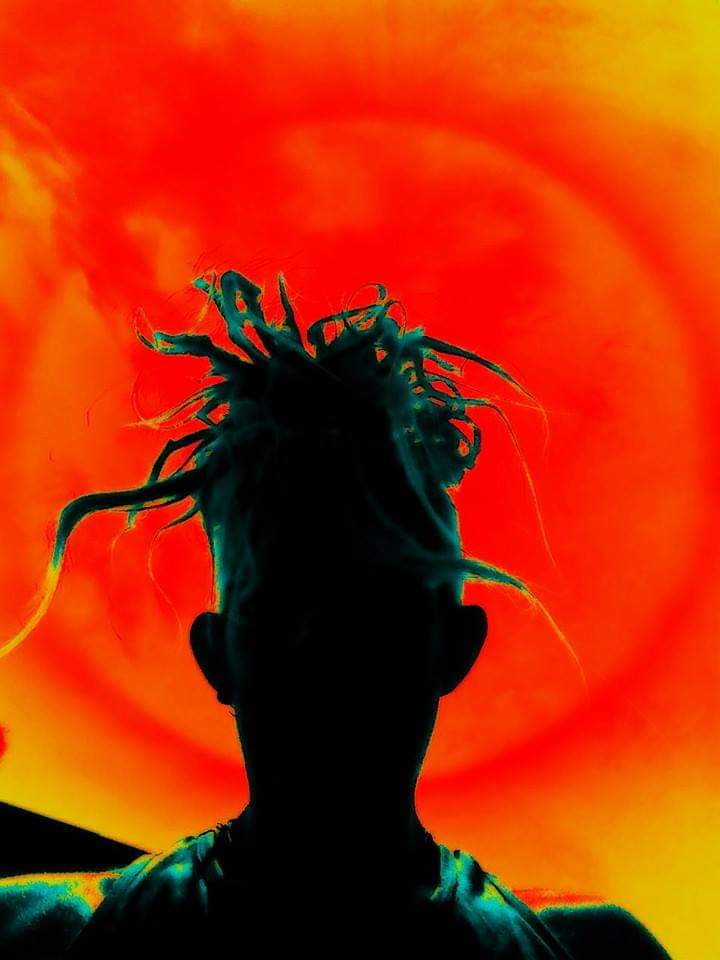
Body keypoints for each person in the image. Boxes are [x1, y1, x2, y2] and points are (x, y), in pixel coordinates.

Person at [0, 270, 672, 957]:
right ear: (217, 656)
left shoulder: (595, 952)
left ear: (454, 647)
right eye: (280, 604)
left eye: (377, 607)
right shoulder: (33, 936)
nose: (324, 648)